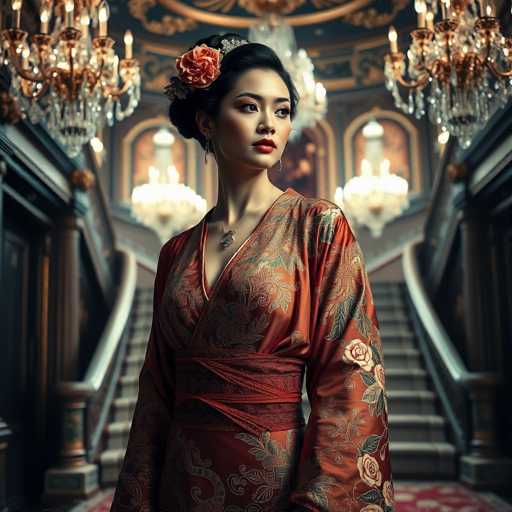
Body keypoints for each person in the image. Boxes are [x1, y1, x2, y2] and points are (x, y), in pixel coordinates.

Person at [110, 32, 395, 512]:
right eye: (249, 107)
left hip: (276, 482)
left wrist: (320, 499)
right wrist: (139, 496)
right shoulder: (175, 252)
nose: (270, 124)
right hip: (181, 481)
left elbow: (349, 381)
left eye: (282, 111)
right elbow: (155, 392)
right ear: (206, 120)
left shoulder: (318, 226)